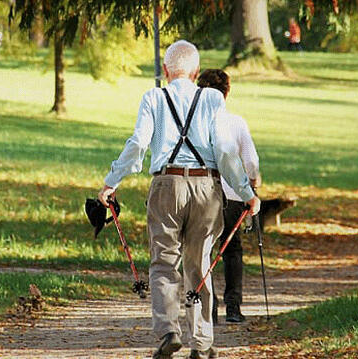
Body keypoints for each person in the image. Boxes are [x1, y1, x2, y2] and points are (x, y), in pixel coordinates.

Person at [97, 40, 260, 359]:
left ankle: (169, 331)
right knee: (200, 263)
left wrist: (111, 182)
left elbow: (138, 144)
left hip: (166, 184)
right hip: (205, 187)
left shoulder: (153, 97)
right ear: (196, 72)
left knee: (163, 261)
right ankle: (201, 341)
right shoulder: (212, 98)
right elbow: (225, 153)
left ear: (166, 70)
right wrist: (246, 193)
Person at [196, 69, 260, 324]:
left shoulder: (195, 124)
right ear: (227, 92)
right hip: (233, 193)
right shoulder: (235, 122)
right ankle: (233, 307)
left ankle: (207, 309)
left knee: (203, 249)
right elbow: (251, 160)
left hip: (202, 192)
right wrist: (253, 183)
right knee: (232, 250)